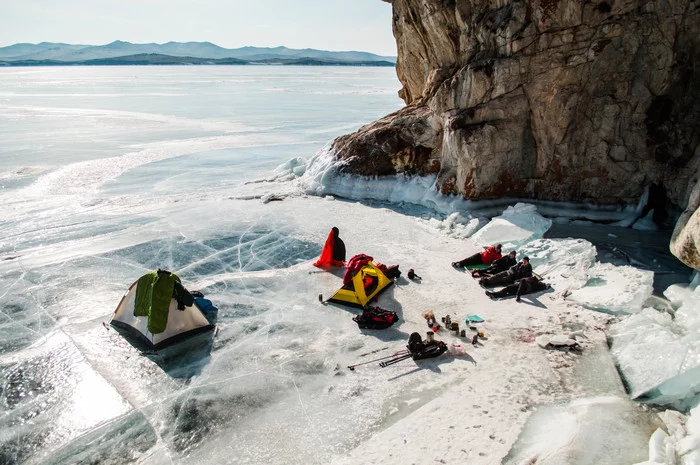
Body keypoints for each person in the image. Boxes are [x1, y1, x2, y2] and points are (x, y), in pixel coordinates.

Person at [485, 275, 550, 301]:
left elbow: (543, 285)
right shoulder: (527, 279)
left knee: (522, 281)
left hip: (525, 289)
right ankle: (494, 295)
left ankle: (518, 295)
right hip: (519, 287)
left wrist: (546, 286)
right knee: (507, 289)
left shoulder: (535, 282)